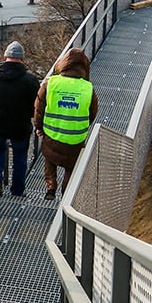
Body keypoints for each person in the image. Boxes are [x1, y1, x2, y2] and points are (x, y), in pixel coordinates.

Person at [0, 41, 40, 198]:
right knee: (20, 157)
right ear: (22, 59)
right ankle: (17, 190)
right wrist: (37, 122)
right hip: (21, 127)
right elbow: (37, 106)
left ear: (5, 57)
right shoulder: (30, 80)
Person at [34, 48, 99, 200]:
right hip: (75, 138)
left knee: (49, 157)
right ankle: (66, 195)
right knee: (71, 167)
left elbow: (39, 107)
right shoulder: (88, 88)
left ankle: (50, 188)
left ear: (62, 64)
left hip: (52, 133)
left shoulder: (51, 83)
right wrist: (79, 125)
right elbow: (93, 112)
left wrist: (39, 127)